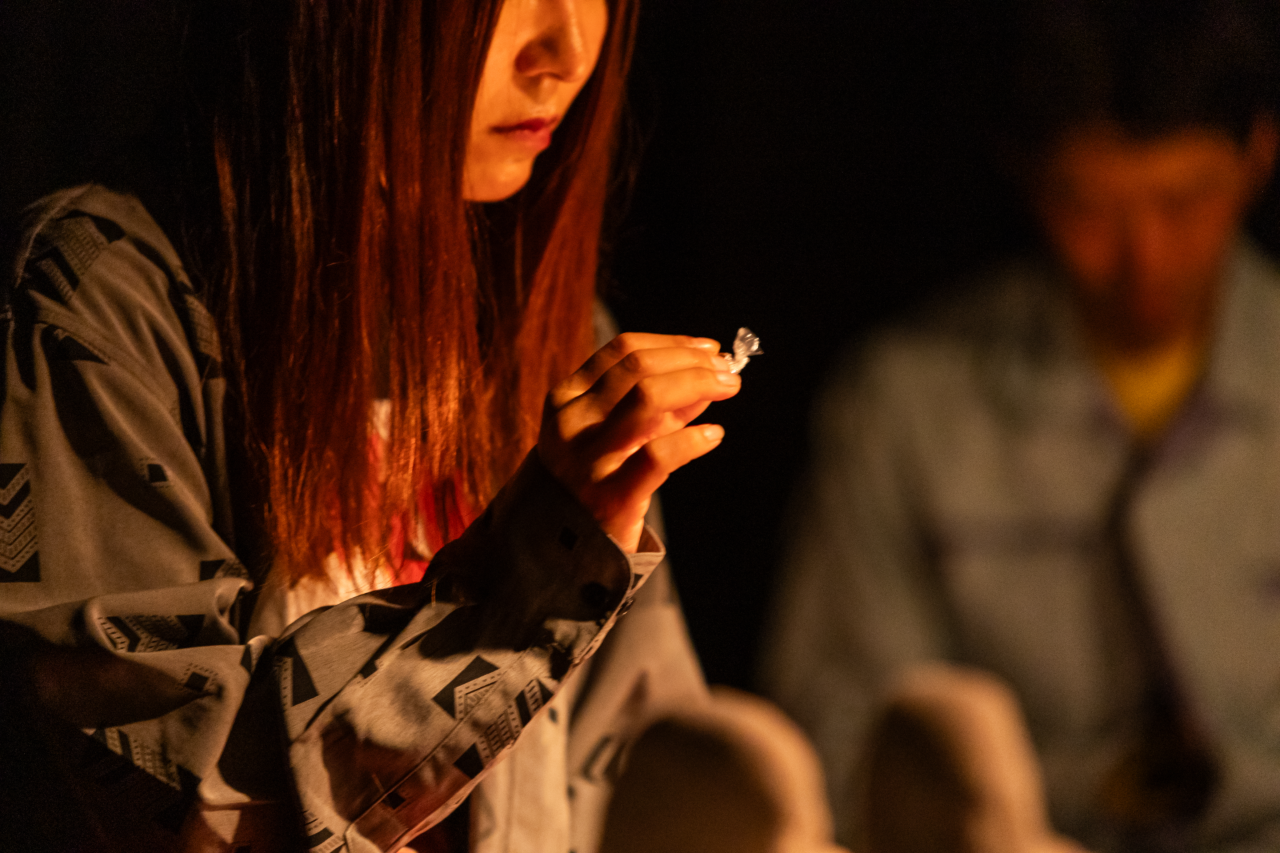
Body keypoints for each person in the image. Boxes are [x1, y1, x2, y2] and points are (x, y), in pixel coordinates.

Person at [0, 1, 740, 850]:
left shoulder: (551, 328)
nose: (567, 53)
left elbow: (625, 750)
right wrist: (535, 573)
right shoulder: (94, 306)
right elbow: (178, 798)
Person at [760, 0, 1280, 850]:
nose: (1144, 258)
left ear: (1259, 155)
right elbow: (842, 742)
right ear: (1028, 176)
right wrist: (1067, 790)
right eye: (1092, 209)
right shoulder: (906, 404)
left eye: (1185, 201)